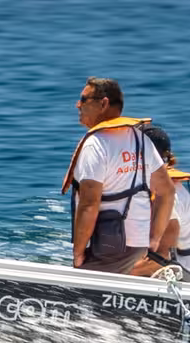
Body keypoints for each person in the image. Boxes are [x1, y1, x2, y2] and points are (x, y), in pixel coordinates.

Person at [60, 77, 175, 273]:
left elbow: (89, 204)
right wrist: (154, 239)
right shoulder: (141, 140)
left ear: (103, 103)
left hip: (107, 246)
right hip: (138, 244)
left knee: (84, 296)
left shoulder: (95, 145)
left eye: (83, 99)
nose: (77, 104)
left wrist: (78, 253)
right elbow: (167, 192)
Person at [135, 123, 190, 281]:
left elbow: (160, 261)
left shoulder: (169, 197)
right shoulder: (148, 187)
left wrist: (109, 274)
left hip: (177, 287)